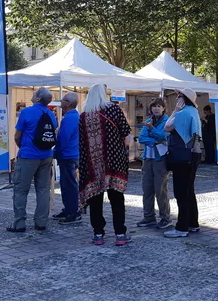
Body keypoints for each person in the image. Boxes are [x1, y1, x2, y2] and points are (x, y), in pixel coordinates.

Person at [79, 84, 132, 246]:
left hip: (93, 165)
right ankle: (120, 234)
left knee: (96, 200)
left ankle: (98, 234)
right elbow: (126, 133)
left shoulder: (84, 115)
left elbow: (81, 143)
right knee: (117, 199)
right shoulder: (114, 110)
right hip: (114, 162)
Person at [8, 87, 58, 233]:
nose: (33, 94)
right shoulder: (51, 114)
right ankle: (41, 222)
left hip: (28, 156)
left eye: (35, 93)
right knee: (43, 190)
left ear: (37, 98)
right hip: (46, 155)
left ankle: (19, 223)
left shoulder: (27, 112)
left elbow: (17, 136)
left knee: (20, 190)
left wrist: (22, 148)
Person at [164, 88, 203, 238]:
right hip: (194, 154)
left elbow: (167, 127)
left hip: (182, 156)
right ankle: (193, 223)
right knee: (189, 190)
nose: (176, 98)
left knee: (181, 192)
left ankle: (182, 227)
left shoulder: (182, 113)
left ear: (183, 99)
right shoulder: (194, 113)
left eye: (178, 96)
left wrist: (175, 110)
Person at [137, 97, 172, 229]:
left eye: (159, 106)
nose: (156, 109)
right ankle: (149, 217)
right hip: (148, 159)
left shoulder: (168, 121)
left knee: (160, 189)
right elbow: (141, 138)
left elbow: (164, 136)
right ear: (151, 109)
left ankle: (165, 218)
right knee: (147, 189)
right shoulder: (148, 121)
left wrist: (152, 130)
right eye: (154, 106)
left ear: (163, 108)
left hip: (160, 159)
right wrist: (154, 141)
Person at [53, 92, 81, 225]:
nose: (61, 102)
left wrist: (55, 152)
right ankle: (68, 209)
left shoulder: (70, 118)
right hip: (70, 154)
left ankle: (73, 212)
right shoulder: (73, 116)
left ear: (68, 104)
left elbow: (63, 138)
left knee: (69, 184)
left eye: (63, 100)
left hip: (68, 155)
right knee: (66, 184)